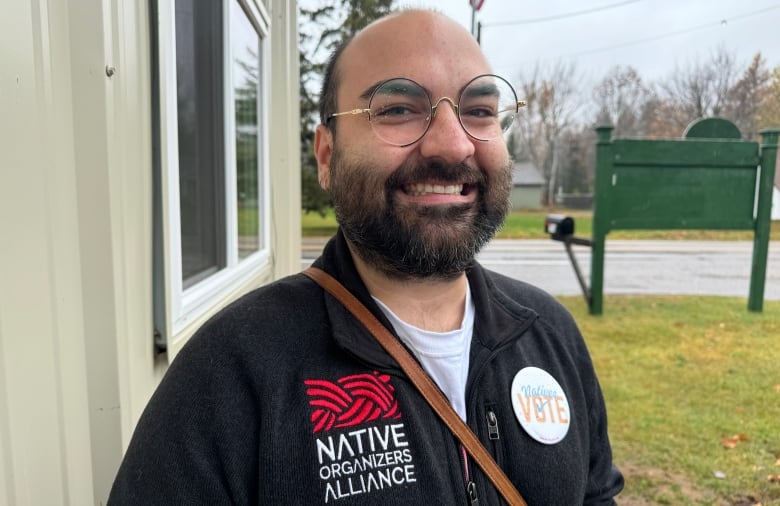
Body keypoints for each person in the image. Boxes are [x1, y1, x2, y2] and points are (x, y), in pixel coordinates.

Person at [109, 8, 623, 505]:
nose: (453, 145)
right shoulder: (229, 374)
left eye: (480, 111)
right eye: (398, 109)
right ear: (327, 157)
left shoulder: (551, 335)